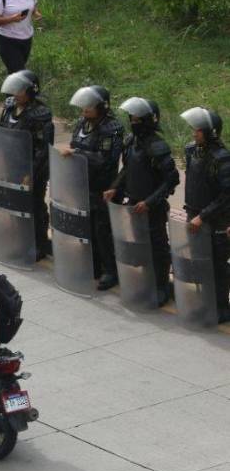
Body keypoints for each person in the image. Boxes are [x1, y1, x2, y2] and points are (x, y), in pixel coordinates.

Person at [104, 97, 179, 305]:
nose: (134, 122)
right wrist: (115, 187)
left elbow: (172, 179)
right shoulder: (131, 141)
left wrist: (150, 202)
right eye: (132, 118)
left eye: (138, 119)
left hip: (151, 207)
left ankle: (161, 287)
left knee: (157, 248)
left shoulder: (157, 146)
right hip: (133, 204)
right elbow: (127, 169)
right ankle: (144, 282)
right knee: (138, 245)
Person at [62, 86, 124, 290]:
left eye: (89, 106)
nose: (84, 110)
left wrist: (78, 153)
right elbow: (73, 144)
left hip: (102, 188)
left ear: (102, 107)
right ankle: (92, 265)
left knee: (102, 231)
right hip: (82, 185)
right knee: (85, 228)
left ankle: (110, 271)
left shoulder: (112, 128)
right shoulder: (82, 123)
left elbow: (106, 160)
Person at [179, 107, 230, 323]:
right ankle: (204, 303)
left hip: (215, 221)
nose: (194, 133)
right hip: (194, 216)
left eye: (199, 130)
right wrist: (193, 214)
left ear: (211, 132)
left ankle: (221, 309)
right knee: (199, 263)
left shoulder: (222, 158)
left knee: (217, 266)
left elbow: (226, 195)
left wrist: (203, 216)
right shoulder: (192, 151)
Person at [0, 69, 53, 260]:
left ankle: (39, 244)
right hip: (12, 165)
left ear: (31, 91)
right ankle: (20, 240)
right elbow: (2, 131)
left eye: (20, 90)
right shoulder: (10, 106)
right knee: (15, 204)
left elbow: (43, 149)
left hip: (32, 168)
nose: (15, 93)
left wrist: (30, 172)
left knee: (35, 206)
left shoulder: (41, 114)